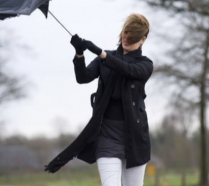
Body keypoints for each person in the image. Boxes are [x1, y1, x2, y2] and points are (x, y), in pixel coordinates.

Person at [45, 13, 153, 186]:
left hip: (135, 137)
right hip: (107, 136)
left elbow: (128, 70)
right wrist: (79, 53)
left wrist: (100, 53)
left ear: (143, 40)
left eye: (132, 37)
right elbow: (83, 77)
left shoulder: (145, 64)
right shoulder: (105, 59)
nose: (126, 39)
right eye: (125, 33)